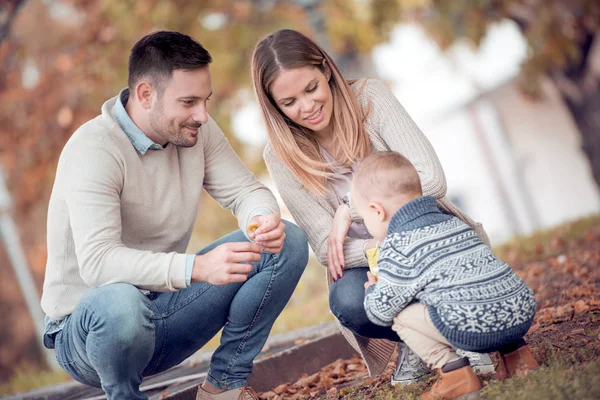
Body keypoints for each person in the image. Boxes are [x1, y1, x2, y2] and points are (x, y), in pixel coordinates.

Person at [40, 30, 309, 400]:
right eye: (188, 102)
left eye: (205, 100)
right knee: (120, 302)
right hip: (90, 337)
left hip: (165, 313)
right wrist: (197, 268)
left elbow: (247, 192)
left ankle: (224, 388)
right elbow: (99, 264)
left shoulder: (195, 131)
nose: (201, 114)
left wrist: (260, 220)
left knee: (288, 242)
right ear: (145, 94)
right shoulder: (94, 149)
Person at [251, 29, 494, 384]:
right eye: (289, 103)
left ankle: (466, 336)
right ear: (274, 105)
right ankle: (416, 340)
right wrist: (379, 252)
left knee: (426, 271)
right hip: (367, 257)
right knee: (349, 301)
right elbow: (326, 247)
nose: (307, 107)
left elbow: (431, 179)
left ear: (326, 70)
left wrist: (351, 207)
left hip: (424, 233)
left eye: (311, 88)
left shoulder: (371, 98)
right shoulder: (279, 155)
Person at [352, 151, 538, 399]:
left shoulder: (397, 245)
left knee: (402, 315)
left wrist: (373, 291)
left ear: (377, 211)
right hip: (519, 313)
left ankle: (455, 374)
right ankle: (518, 357)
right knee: (475, 288)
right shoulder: (454, 223)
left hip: (475, 329)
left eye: (364, 219)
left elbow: (381, 311)